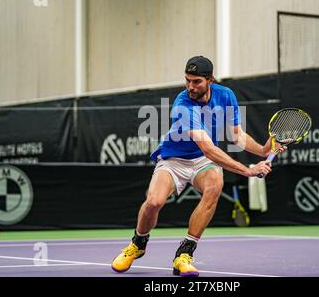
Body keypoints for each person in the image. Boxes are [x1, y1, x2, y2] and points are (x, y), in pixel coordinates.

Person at [111, 56, 286, 277]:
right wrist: (248, 170)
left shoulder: (226, 95)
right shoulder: (182, 104)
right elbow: (209, 149)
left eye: (196, 82)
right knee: (154, 201)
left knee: (214, 185)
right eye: (187, 81)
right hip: (174, 158)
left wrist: (263, 150)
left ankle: (185, 254)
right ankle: (137, 244)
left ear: (210, 80)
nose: (190, 87)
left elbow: (237, 136)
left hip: (203, 162)